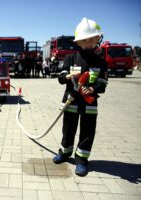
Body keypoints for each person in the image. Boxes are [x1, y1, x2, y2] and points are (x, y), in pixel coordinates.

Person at [52, 17, 108, 176]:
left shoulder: (101, 61)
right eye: (86, 40)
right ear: (78, 42)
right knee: (68, 129)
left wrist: (94, 89)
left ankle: (82, 159)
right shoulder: (70, 58)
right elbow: (60, 78)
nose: (90, 43)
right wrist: (68, 76)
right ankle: (64, 153)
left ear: (98, 39)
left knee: (87, 132)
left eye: (93, 39)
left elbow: (103, 83)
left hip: (89, 105)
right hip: (71, 102)